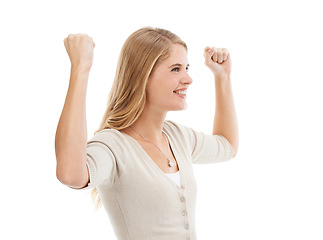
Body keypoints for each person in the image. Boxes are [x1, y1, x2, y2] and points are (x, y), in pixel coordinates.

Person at [55, 27, 238, 240]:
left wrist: (222, 77)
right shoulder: (114, 145)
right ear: (143, 76)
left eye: (186, 67)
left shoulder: (177, 136)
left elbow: (227, 146)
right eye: (176, 69)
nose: (188, 79)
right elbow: (70, 174)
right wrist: (80, 69)